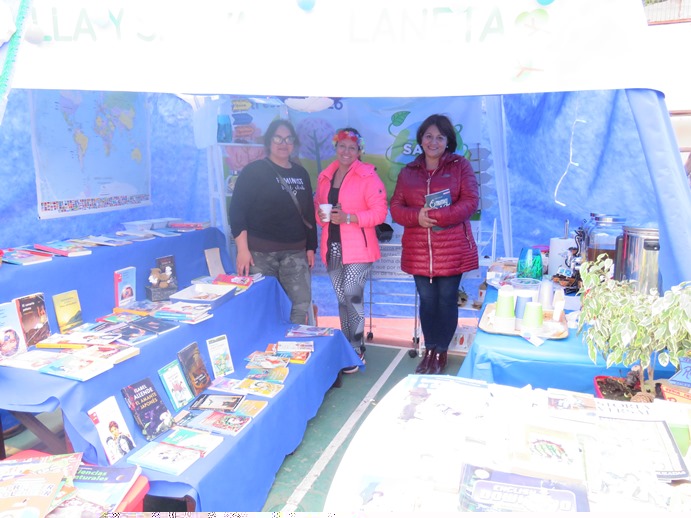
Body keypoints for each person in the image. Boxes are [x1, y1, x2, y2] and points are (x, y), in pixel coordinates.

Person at [390, 114, 479, 375]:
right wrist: (416, 217)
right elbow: (396, 208)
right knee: (427, 302)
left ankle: (441, 352)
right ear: (420, 140)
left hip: (451, 249)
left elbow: (470, 202)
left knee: (446, 300)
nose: (433, 142)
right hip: (419, 250)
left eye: (440, 137)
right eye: (429, 136)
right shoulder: (408, 172)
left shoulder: (460, 166)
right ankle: (429, 349)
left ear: (448, 141)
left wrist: (437, 216)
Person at [229, 119, 318, 325]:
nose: (283, 143)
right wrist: (242, 250)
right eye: (278, 138)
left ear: (294, 143)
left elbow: (308, 213)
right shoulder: (253, 171)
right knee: (263, 305)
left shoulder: (301, 173)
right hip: (260, 255)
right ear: (269, 141)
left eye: (288, 139)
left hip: (295, 253)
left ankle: (292, 341)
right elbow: (237, 212)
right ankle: (268, 343)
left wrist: (311, 247)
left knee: (299, 305)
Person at [315, 128, 388, 373]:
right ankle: (347, 346)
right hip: (333, 247)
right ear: (336, 147)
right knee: (342, 299)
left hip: (359, 249)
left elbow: (379, 213)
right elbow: (318, 208)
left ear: (359, 151)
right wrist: (320, 215)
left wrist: (349, 217)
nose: (346, 151)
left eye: (352, 147)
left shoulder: (368, 176)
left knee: (352, 296)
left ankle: (356, 349)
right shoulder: (325, 176)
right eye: (342, 146)